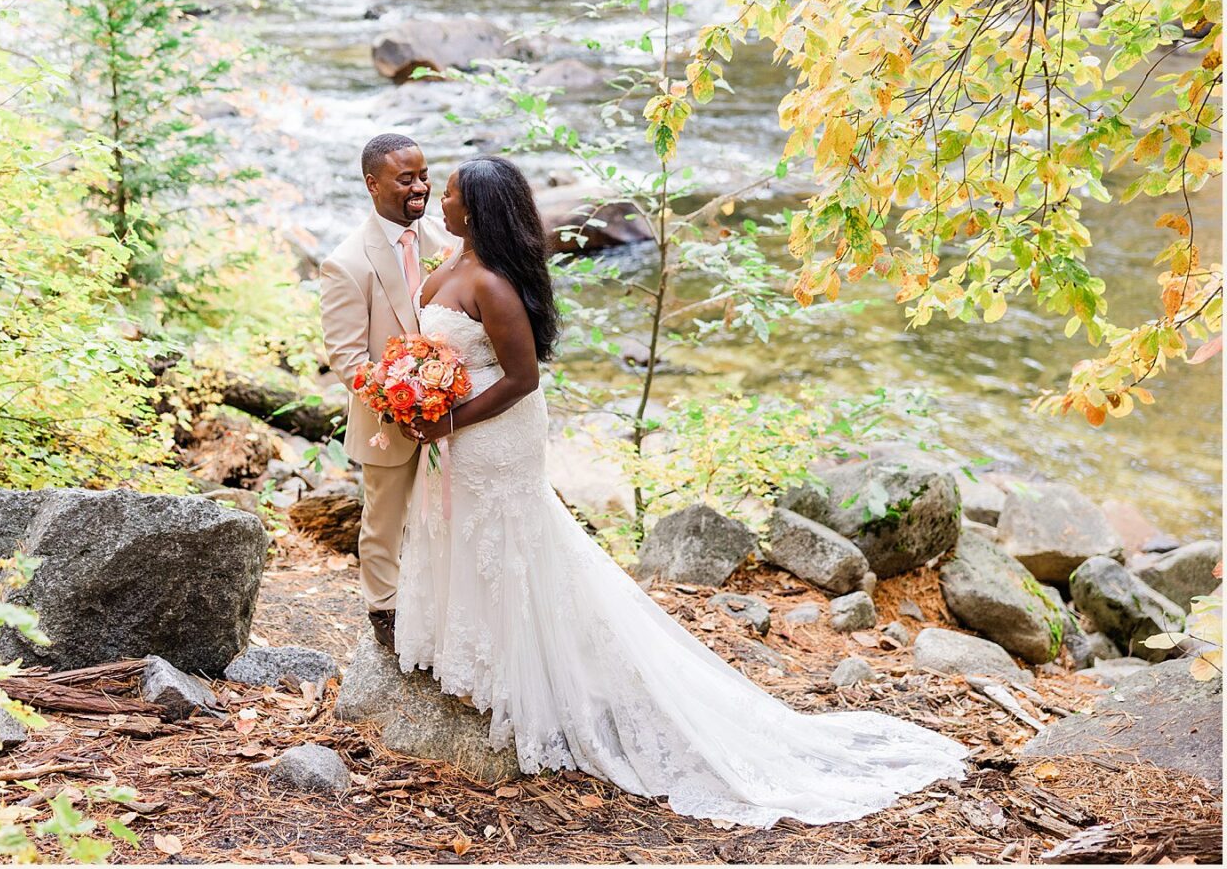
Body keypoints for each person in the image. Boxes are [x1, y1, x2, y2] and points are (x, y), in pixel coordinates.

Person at [394, 156, 970, 827]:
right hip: (457, 432)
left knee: (506, 538)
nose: (445, 200)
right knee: (460, 530)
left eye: (457, 195)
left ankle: (522, 675)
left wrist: (450, 419)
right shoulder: (448, 263)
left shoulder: (492, 285)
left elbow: (521, 378)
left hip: (495, 432)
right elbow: (431, 347)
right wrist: (411, 392)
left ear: (482, 211)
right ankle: (468, 653)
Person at [319, 133, 456, 652]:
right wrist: (404, 401)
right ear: (373, 184)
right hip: (388, 422)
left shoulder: (443, 239)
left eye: (423, 175)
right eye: (406, 179)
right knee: (384, 522)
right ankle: (385, 614)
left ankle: (441, 603)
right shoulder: (346, 263)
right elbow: (348, 360)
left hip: (455, 412)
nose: (420, 187)